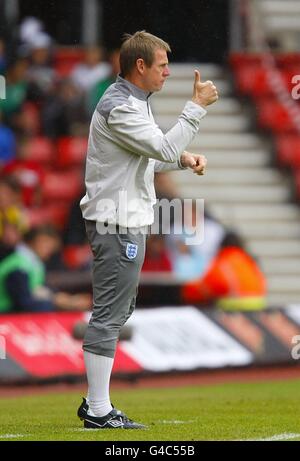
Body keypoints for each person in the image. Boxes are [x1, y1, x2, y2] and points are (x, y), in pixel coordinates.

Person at [78, 30, 218, 429]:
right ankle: (98, 410)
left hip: (123, 220)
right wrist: (196, 108)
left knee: (116, 311)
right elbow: (161, 149)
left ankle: (97, 404)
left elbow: (151, 157)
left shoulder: (133, 102)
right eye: (162, 65)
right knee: (109, 314)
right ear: (140, 66)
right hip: (116, 221)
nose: (168, 73)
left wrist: (182, 158)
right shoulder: (121, 106)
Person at [181, 232, 267, 310]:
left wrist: (186, 291)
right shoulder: (248, 260)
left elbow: (206, 287)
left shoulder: (224, 261)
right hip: (259, 303)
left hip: (235, 305)